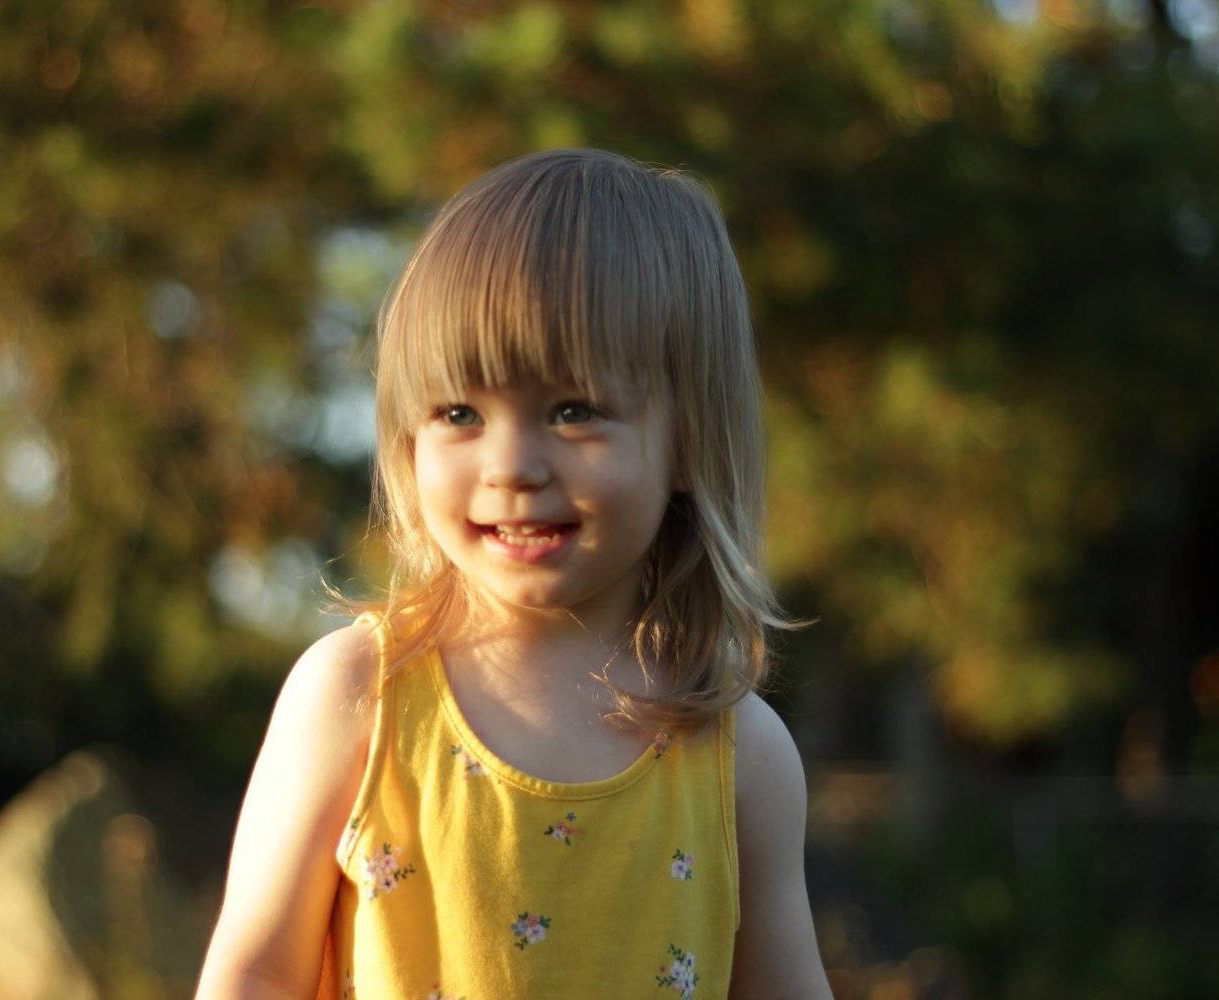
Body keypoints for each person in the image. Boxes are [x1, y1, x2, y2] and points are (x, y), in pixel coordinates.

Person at [195, 148, 833, 999]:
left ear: (688, 439)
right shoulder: (360, 697)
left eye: (573, 411)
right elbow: (255, 973)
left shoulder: (738, 756)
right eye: (460, 412)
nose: (510, 467)